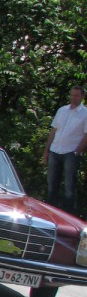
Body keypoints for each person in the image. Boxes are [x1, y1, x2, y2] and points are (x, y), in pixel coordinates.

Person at [43, 84, 87, 215]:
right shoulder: (62, 110)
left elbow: (86, 135)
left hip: (70, 152)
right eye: (72, 95)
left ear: (82, 96)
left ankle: (67, 215)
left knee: (69, 186)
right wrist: (47, 150)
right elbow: (54, 130)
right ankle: (49, 212)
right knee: (51, 183)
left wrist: (78, 151)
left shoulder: (85, 113)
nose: (73, 98)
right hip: (55, 149)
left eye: (77, 95)